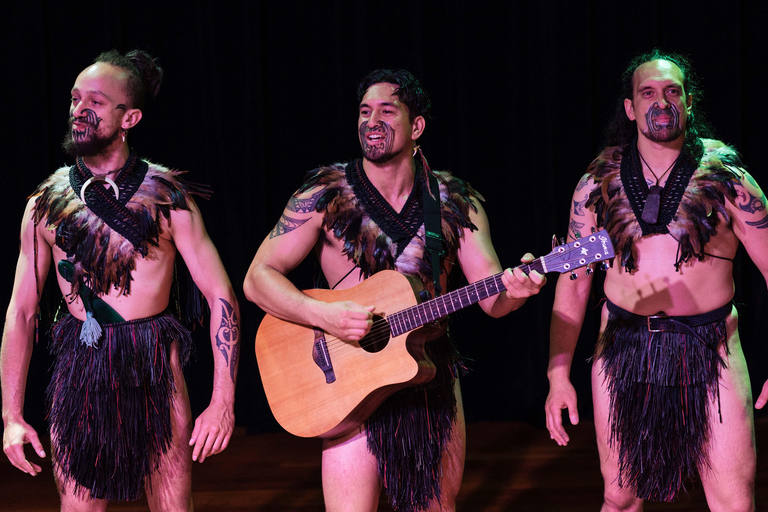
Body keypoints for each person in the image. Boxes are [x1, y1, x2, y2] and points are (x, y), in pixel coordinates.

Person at [243, 68, 545, 512]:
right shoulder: (324, 193)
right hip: (342, 379)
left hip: (428, 376)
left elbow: (492, 300)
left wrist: (518, 290)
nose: (372, 121)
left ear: (416, 125)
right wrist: (323, 315)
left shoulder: (455, 201)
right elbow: (257, 278)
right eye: (365, 111)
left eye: (387, 110)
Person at [1, 49, 239, 511]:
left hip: (155, 371)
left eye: (95, 101)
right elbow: (22, 311)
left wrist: (223, 400)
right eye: (74, 99)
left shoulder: (169, 196)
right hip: (81, 373)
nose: (79, 110)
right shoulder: (43, 206)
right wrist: (11, 415)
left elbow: (220, 295)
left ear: (129, 117)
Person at [545, 49, 768, 511]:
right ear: (630, 107)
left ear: (688, 102)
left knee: (733, 503)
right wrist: (558, 373)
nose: (660, 101)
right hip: (623, 348)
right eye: (647, 92)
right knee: (619, 496)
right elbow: (575, 282)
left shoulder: (730, 181)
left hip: (712, 350)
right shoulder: (596, 184)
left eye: (672, 91)